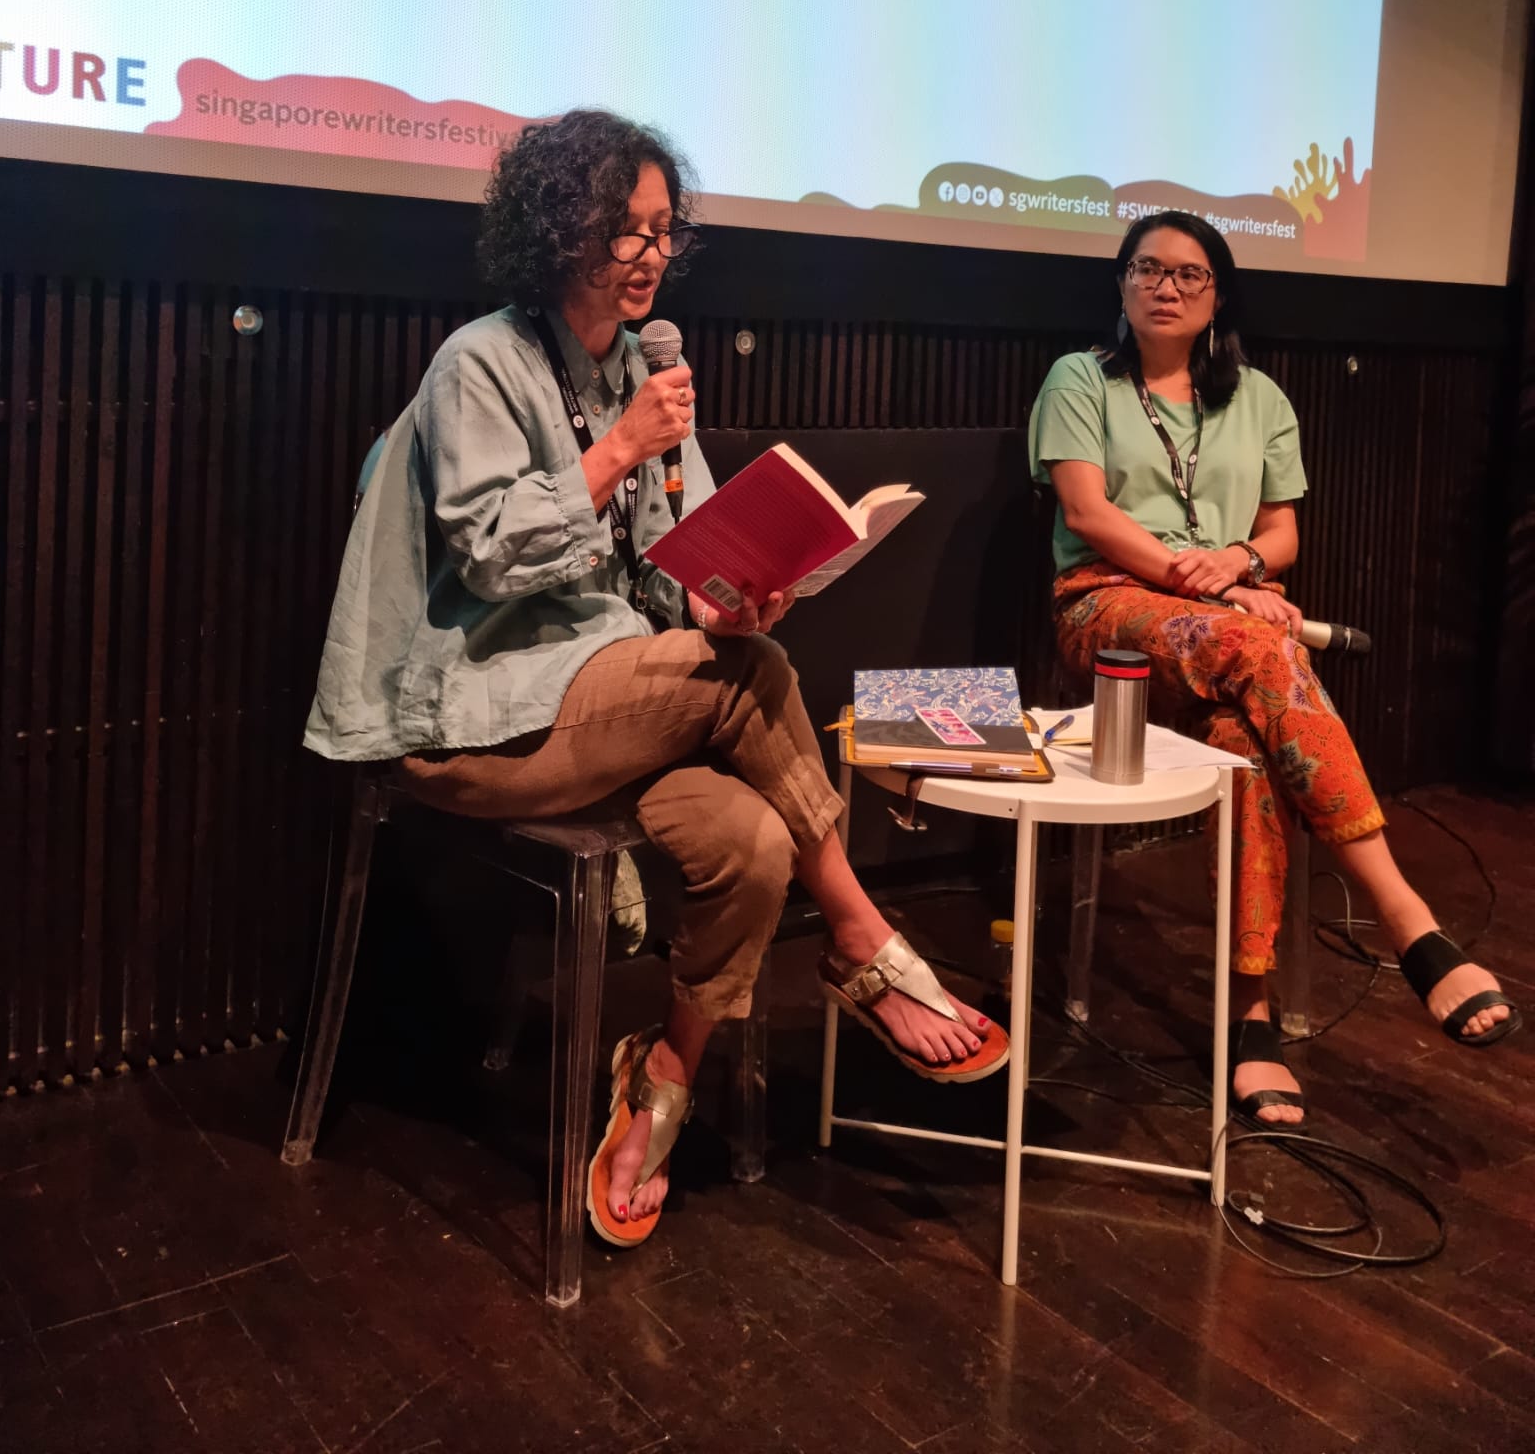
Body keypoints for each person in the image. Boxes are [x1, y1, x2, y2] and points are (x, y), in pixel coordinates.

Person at [305, 109, 1008, 1246]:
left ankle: (659, 1078)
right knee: (752, 679)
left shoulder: (646, 371)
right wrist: (622, 446)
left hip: (601, 700)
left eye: (661, 231)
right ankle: (865, 940)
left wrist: (738, 591)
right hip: (468, 713)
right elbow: (486, 552)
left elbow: (682, 571)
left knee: (755, 841)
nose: (645, 254)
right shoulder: (477, 362)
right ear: (553, 230)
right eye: (621, 229)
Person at [1028, 210, 1519, 1125]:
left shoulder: (1258, 397)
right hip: (1105, 610)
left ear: (1218, 296)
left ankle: (1248, 1016)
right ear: (1121, 285)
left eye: (1187, 274)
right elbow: (1089, 515)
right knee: (1264, 643)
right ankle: (1406, 918)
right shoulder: (1079, 380)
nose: (1164, 286)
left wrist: (1244, 570)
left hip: (1223, 621)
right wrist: (1205, 583)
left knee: (1246, 738)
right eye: (1146, 269)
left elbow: (1281, 535)